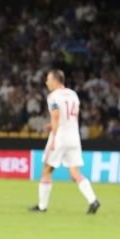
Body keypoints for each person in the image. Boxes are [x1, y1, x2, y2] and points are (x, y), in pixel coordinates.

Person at [31, 70, 101, 214]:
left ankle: (42, 206)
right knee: (75, 172)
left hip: (60, 137)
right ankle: (93, 200)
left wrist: (54, 137)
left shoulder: (53, 96)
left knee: (47, 169)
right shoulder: (73, 94)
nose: (46, 82)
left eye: (48, 79)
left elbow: (56, 116)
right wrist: (52, 125)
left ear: (55, 80)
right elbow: (70, 117)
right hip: (74, 136)